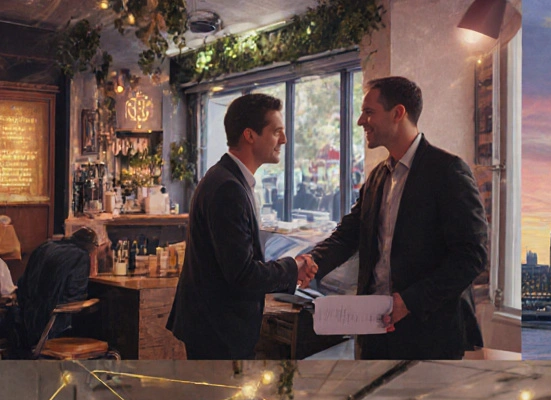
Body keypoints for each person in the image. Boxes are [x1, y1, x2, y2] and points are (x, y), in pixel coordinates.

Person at [310, 76, 488, 359]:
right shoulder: (377, 176)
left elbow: (472, 256)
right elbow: (348, 235)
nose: (360, 121)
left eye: (369, 112)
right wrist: (308, 263)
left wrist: (409, 302)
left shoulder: (448, 171)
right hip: (373, 332)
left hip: (428, 334)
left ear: (398, 113)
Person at [167, 93, 317, 359]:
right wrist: (293, 267)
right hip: (218, 331)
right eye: (276, 132)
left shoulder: (228, 179)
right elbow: (242, 274)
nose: (283, 140)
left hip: (214, 326)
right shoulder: (228, 188)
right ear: (250, 135)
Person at [11, 228, 101, 357]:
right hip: (52, 328)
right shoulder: (80, 256)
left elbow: (22, 283)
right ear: (92, 247)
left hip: (25, 323)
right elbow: (75, 298)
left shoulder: (45, 246)